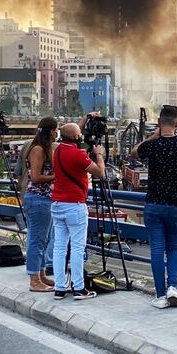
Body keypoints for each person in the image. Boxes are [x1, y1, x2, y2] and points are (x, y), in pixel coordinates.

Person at [134, 105, 177, 309]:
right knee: (173, 248)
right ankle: (172, 287)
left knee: (157, 249)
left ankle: (159, 294)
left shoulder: (152, 146)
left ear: (159, 122)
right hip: (176, 205)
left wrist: (152, 137)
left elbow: (134, 153)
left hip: (154, 204)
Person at [51, 120, 106, 300]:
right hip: (74, 205)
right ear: (76, 137)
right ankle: (79, 288)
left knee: (59, 247)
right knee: (77, 247)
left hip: (57, 204)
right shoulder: (77, 155)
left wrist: (84, 120)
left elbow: (72, 134)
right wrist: (98, 155)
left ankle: (60, 287)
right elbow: (100, 173)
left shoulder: (57, 150)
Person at [21, 117, 58, 293]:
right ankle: (34, 279)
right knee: (36, 240)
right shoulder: (37, 149)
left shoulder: (45, 148)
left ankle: (41, 275)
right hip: (38, 199)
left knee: (43, 240)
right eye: (56, 129)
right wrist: (57, 177)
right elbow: (35, 178)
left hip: (45, 199)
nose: (57, 133)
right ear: (51, 131)